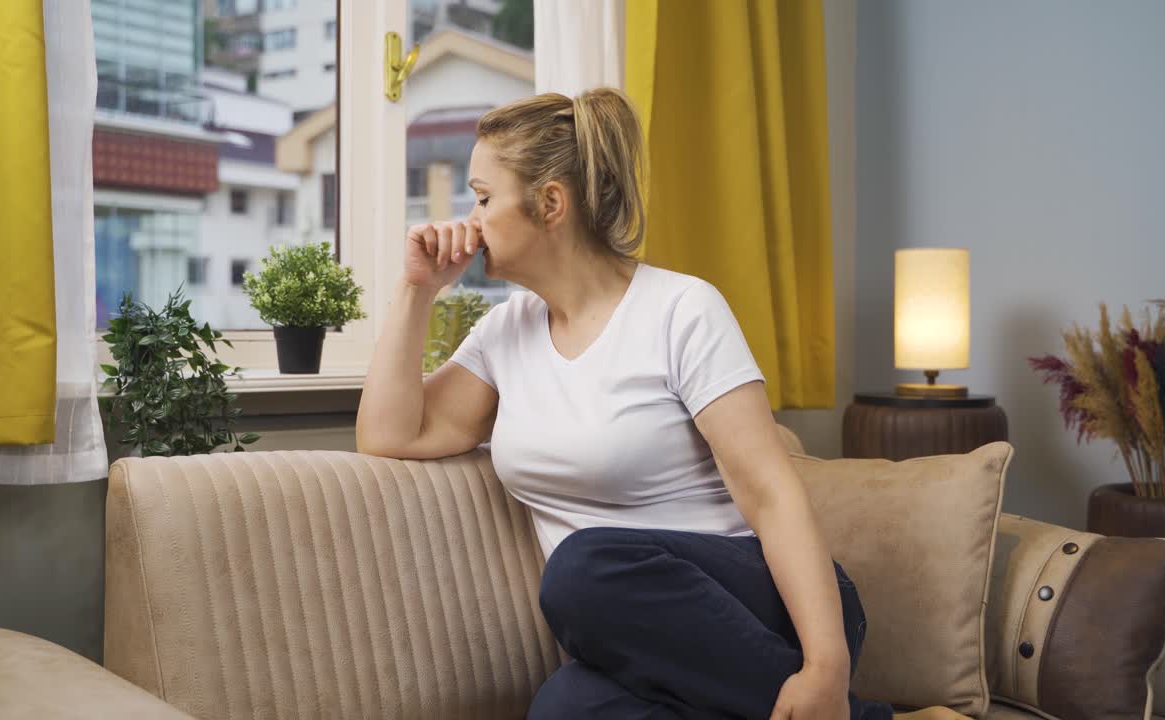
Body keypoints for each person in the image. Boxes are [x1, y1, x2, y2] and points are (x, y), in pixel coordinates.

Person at [356, 88, 962, 720]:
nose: (470, 219)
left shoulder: (681, 310)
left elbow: (771, 494)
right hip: (651, 645)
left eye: (483, 198)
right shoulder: (505, 333)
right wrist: (417, 288)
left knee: (583, 567)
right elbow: (389, 434)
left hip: (760, 608)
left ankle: (837, 708)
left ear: (551, 203)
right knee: (564, 708)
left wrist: (826, 667)